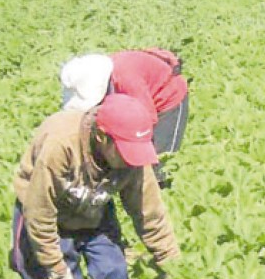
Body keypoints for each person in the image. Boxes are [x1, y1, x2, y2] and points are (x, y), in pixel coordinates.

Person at [10, 93, 180, 279]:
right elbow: (40, 213)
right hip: (46, 215)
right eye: (124, 152)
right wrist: (56, 272)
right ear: (101, 137)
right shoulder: (60, 145)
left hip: (93, 211)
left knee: (115, 274)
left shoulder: (132, 157)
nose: (130, 160)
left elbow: (149, 211)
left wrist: (174, 268)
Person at [59, 48, 189, 187]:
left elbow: (145, 123)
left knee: (157, 162)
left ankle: (158, 190)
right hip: (138, 96)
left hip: (167, 99)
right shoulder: (93, 77)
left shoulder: (126, 80)